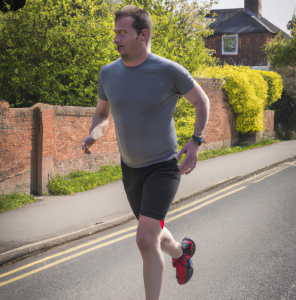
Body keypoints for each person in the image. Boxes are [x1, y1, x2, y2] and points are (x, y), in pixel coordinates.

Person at [82, 5, 210, 300]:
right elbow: (102, 114)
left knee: (144, 237)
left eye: (122, 32)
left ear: (143, 34)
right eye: (115, 32)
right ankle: (182, 252)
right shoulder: (108, 74)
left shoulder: (168, 70)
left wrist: (196, 141)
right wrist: (94, 134)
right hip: (131, 168)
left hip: (163, 166)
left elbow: (201, 101)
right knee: (152, 233)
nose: (116, 38)